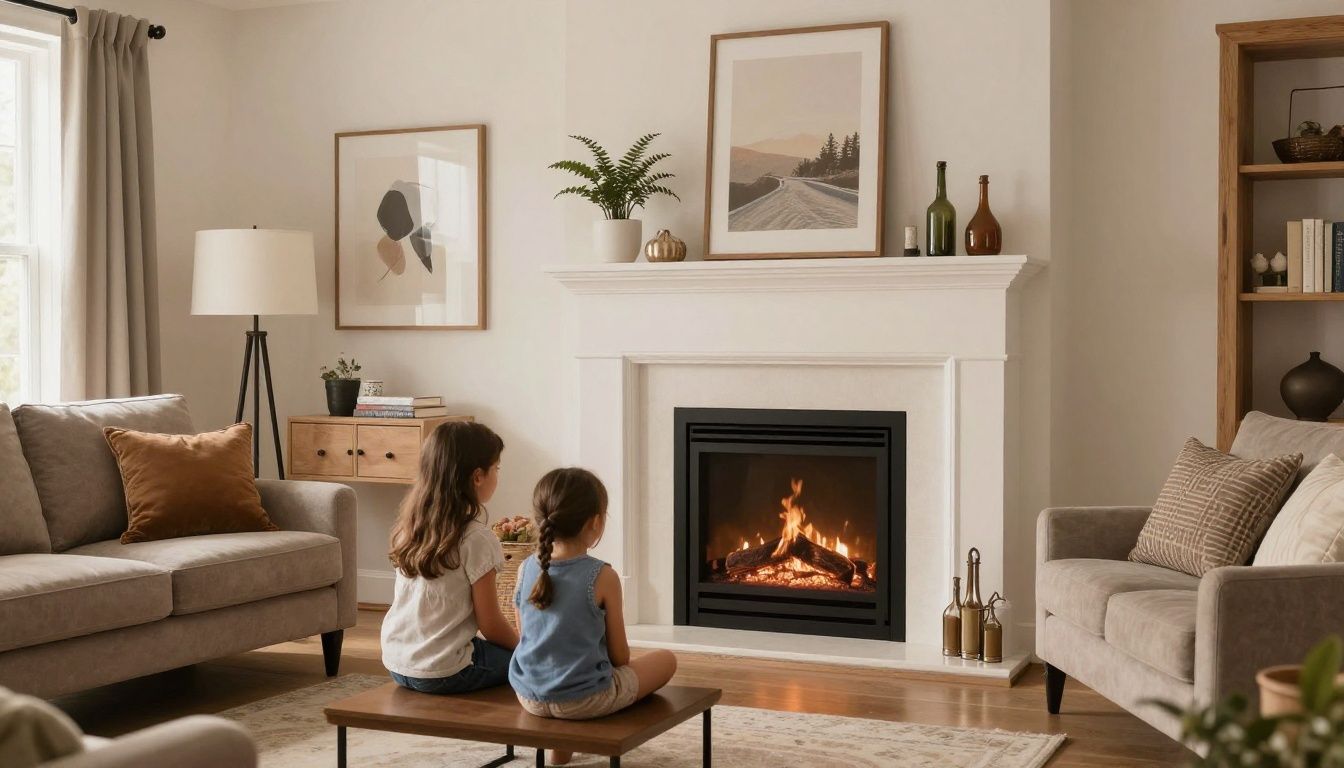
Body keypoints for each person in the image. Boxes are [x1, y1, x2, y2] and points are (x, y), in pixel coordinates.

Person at [509, 468, 677, 766]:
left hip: (530, 696)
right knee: (666, 660)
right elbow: (620, 657)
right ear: (595, 523)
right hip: (584, 701)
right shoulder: (602, 576)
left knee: (565, 674)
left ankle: (559, 756)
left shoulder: (525, 570)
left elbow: (525, 638)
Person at [381, 421, 518, 694]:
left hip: (397, 663)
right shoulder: (476, 538)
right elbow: (490, 624)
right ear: (478, 476)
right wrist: (525, 648)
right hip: (445, 671)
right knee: (529, 661)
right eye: (497, 468)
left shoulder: (409, 527)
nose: (497, 475)